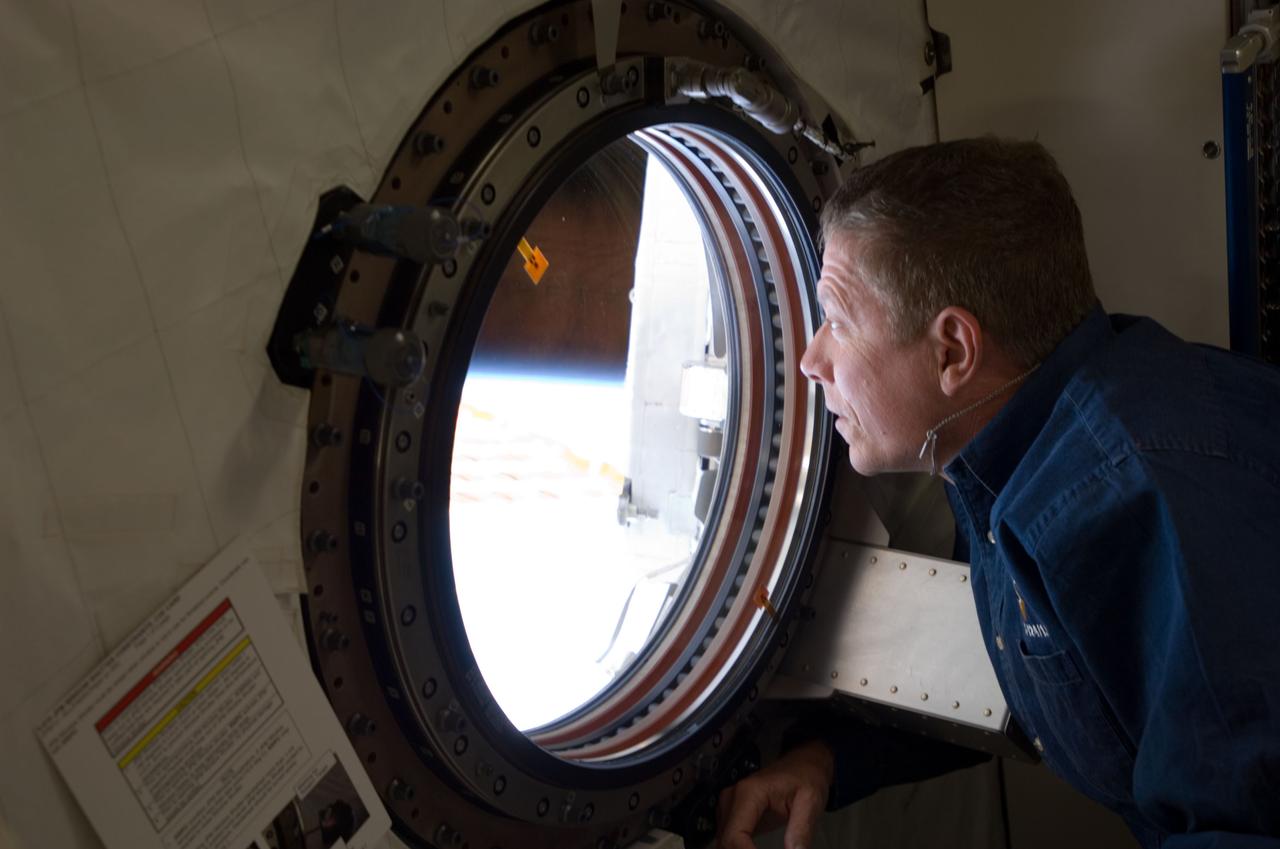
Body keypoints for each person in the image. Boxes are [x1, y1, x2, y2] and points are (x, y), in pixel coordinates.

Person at [716, 138, 1280, 848]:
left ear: (953, 350)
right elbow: (1053, 683)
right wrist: (828, 760)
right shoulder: (1009, 459)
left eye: (839, 319)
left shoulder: (1135, 499)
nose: (810, 358)